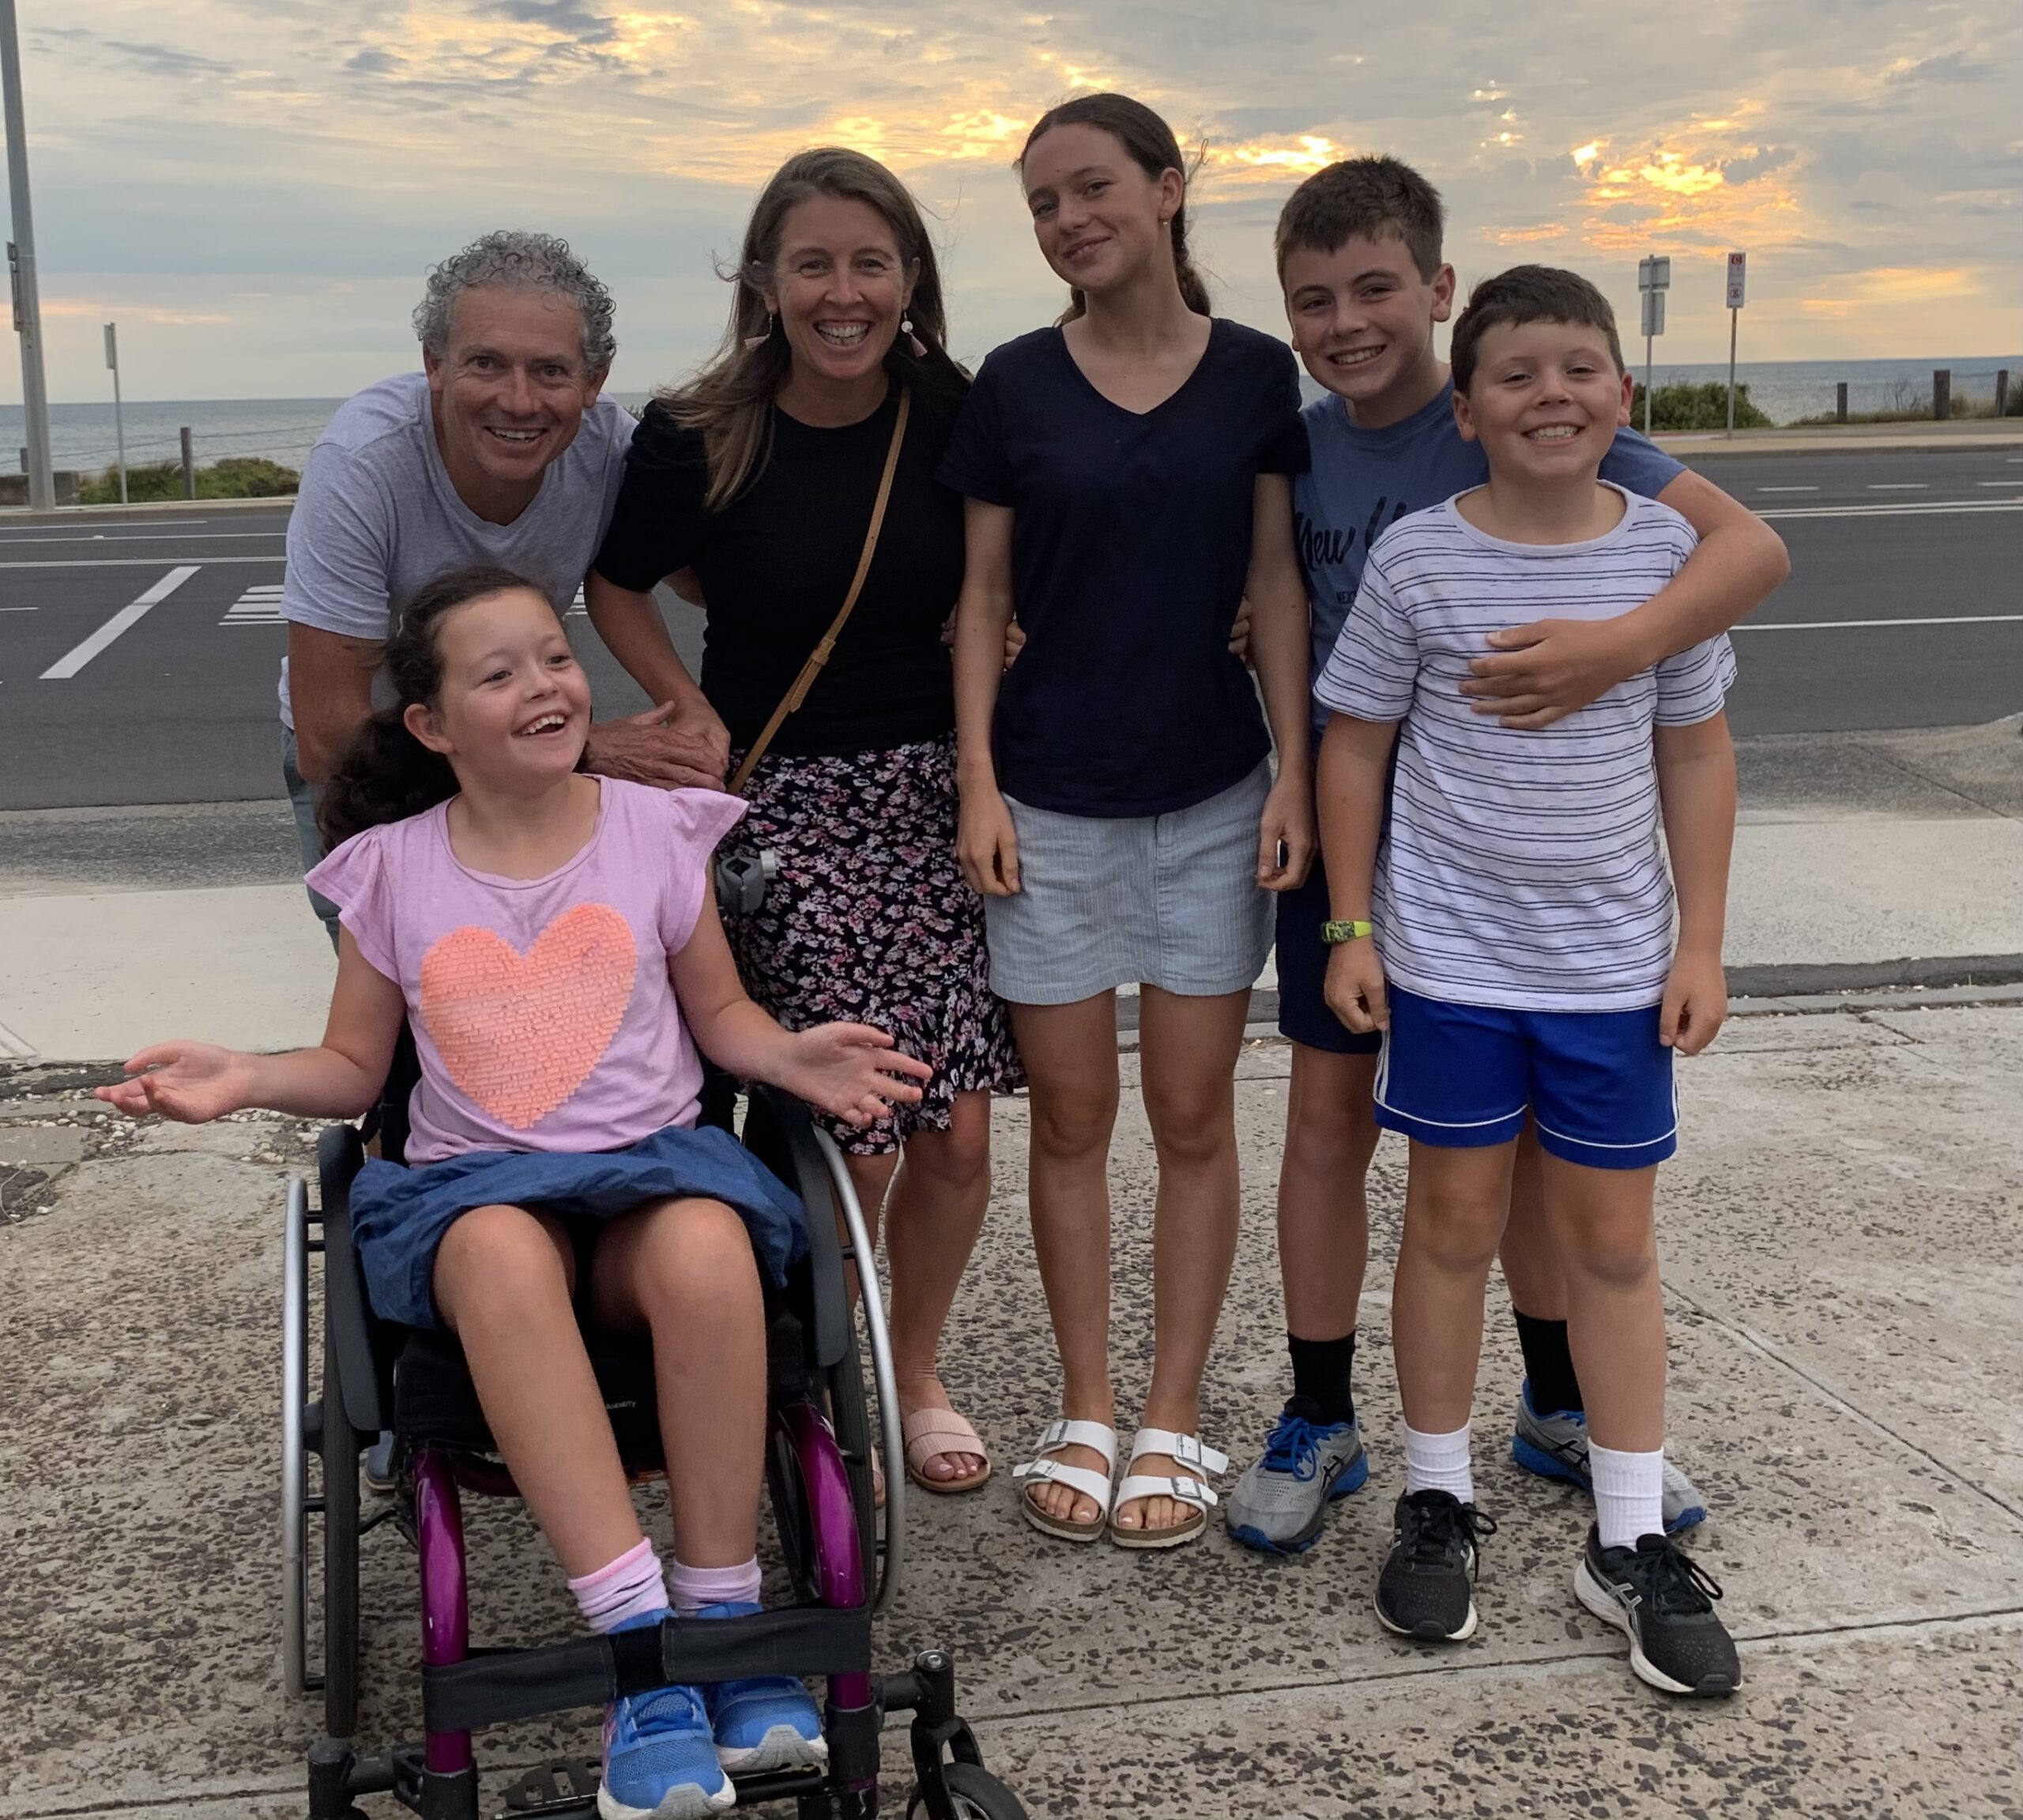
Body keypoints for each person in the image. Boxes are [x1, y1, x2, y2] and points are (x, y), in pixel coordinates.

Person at [100, 567, 934, 1815]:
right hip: (472, 1192)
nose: (546, 684)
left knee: (711, 1245)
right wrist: (243, 1074)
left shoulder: (660, 831)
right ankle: (641, 1659)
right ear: (432, 724)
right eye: (500, 672)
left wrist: (791, 1051)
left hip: (650, 1172)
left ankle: (728, 1623)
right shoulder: (392, 869)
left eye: (555, 656)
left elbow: (720, 1014)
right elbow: (353, 1067)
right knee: (496, 1249)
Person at [1224, 156, 1790, 1555]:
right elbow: (1282, 604)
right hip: (1379, 857)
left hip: (1546, 875)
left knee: (1535, 1168)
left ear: (1435, 292)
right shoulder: (1304, 445)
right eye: (1315, 299)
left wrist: (1617, 646)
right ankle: (1326, 1412)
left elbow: (1747, 553)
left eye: (1375, 288)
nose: (1349, 320)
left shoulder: (1543, 423)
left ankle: (1556, 1399)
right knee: (1337, 1129)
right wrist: (1299, 781)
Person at [1317, 267, 1743, 1695]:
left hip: (1612, 968)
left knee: (1612, 1242)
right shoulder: (1421, 559)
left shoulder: (1664, 560)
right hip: (1448, 962)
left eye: (1579, 368)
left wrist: (1700, 941)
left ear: (1625, 394)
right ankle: (1436, 1496)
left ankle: (1627, 1531)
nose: (1550, 394)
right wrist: (1349, 924)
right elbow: (1357, 740)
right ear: (1467, 407)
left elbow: (1696, 747)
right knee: (1448, 1219)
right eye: (1515, 374)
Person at [586, 149, 1023, 1496]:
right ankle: (836, 1354)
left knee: (958, 1130)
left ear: (910, 279)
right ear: (764, 280)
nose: (844, 293)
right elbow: (615, 584)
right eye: (814, 263)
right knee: (861, 1123)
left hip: (935, 795)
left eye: (871, 262)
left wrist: (1006, 624)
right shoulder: (701, 425)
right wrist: (676, 703)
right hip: (779, 808)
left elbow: (1032, 558)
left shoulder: (958, 410)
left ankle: (911, 1355)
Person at [944, 93, 1316, 1550]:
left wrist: (1291, 767)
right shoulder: (1017, 382)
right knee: (1077, 1122)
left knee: (1192, 1115)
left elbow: (1276, 582)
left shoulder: (1255, 375)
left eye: (1089, 188)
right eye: (1041, 203)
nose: (1065, 220)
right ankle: (1085, 1403)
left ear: (1167, 191)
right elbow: (982, 596)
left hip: (1218, 799)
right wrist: (977, 778)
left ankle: (1174, 1411)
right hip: (1047, 806)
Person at [281, 228, 727, 941]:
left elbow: (706, 585)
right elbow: (328, 737)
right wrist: (585, 751)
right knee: (396, 1028)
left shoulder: (609, 451)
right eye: (486, 364)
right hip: (385, 763)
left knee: (536, 993)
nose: (518, 402)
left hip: (524, 753)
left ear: (595, 381)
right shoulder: (363, 464)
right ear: (434, 364)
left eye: (551, 372)